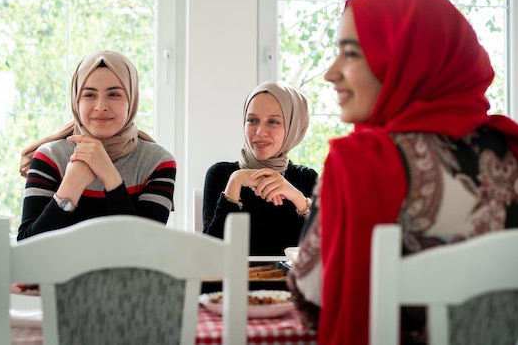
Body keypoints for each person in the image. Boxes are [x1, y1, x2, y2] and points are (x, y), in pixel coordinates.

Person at [287, 0, 518, 344]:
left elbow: (312, 299)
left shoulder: (361, 163)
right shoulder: (515, 151)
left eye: (351, 53)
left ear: (406, 57)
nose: (330, 72)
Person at [17, 49, 176, 240]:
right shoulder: (51, 157)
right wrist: (71, 186)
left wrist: (109, 175)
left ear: (131, 100)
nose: (101, 106)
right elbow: (29, 250)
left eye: (114, 95)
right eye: (89, 95)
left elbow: (144, 249)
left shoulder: (157, 162)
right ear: (76, 100)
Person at [202, 80, 318, 256]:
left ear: (293, 127)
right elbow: (209, 254)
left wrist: (297, 198)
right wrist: (235, 182)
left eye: (273, 122)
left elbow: (323, 252)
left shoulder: (306, 179)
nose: (259, 132)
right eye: (252, 120)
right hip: (233, 283)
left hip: (287, 284)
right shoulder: (221, 175)